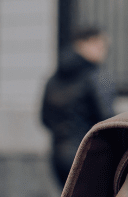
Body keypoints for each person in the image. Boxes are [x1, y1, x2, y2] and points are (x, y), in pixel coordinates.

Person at [40, 27, 116, 188]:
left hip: (58, 158)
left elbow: (44, 119)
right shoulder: (95, 76)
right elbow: (108, 120)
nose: (104, 53)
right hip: (90, 156)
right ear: (83, 44)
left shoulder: (53, 79)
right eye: (100, 47)